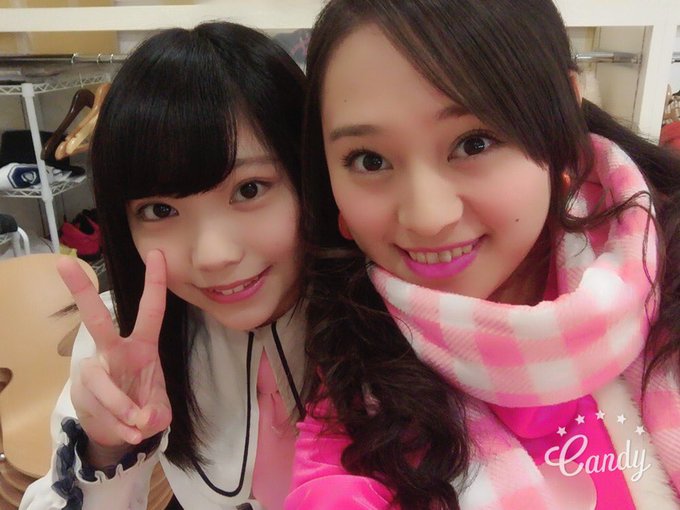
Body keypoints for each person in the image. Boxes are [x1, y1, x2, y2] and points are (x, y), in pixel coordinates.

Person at [285, 1, 680, 509]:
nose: (427, 217)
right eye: (370, 160)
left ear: (560, 117)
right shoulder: (351, 372)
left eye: (474, 143)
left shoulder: (665, 269)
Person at [21, 21, 306, 510]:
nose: (214, 255)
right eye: (160, 210)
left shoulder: (387, 321)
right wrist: (106, 451)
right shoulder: (124, 336)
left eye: (250, 189)